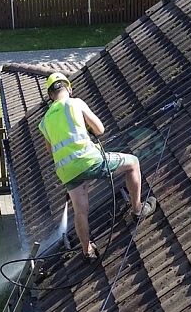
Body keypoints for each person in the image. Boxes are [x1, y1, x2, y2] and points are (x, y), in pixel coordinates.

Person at [38, 72, 156, 259]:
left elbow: (50, 151)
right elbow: (100, 129)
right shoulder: (75, 103)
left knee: (80, 209)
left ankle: (87, 250)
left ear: (50, 96)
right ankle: (137, 210)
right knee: (133, 162)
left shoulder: (44, 121)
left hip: (66, 171)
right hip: (89, 160)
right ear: (69, 88)